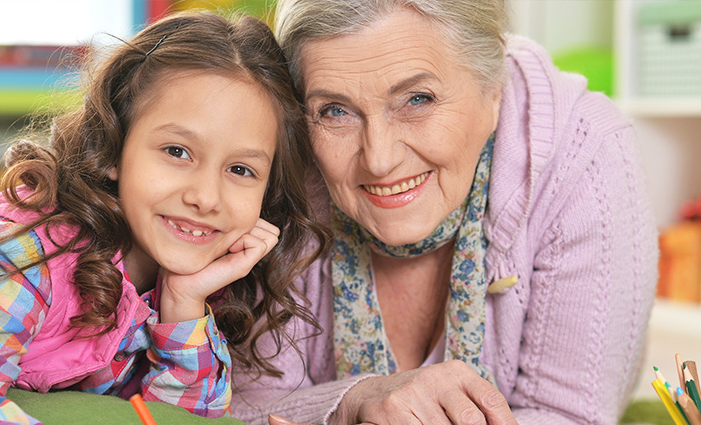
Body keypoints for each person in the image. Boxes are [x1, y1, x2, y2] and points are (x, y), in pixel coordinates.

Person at [229, 1, 659, 424]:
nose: (379, 159)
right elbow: (235, 407)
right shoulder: (279, 161)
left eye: (417, 99)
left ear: (493, 90)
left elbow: (571, 416)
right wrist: (353, 402)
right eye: (335, 111)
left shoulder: (584, 153)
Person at [0, 11, 328, 424]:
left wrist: (183, 301)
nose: (205, 197)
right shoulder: (24, 251)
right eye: (177, 152)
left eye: (241, 170)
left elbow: (175, 421)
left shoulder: (181, 284)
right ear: (110, 150)